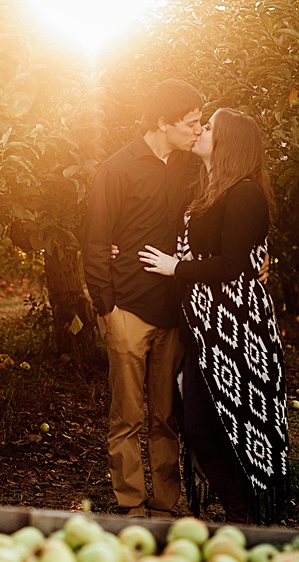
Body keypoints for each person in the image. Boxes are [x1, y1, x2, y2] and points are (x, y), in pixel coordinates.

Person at [138, 108, 290, 524]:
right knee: (202, 426)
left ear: (230, 143)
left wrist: (176, 268)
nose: (201, 131)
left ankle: (244, 517)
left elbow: (231, 265)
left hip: (238, 331)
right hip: (206, 330)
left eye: (209, 128)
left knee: (218, 428)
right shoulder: (208, 186)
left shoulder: (245, 192)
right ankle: (242, 515)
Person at [83, 79, 204, 519]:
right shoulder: (117, 169)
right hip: (128, 311)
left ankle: (167, 506)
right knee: (128, 417)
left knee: (167, 417)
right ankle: (132, 505)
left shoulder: (192, 169)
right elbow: (96, 243)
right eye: (191, 123)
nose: (198, 130)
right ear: (162, 122)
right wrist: (107, 308)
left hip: (175, 312)